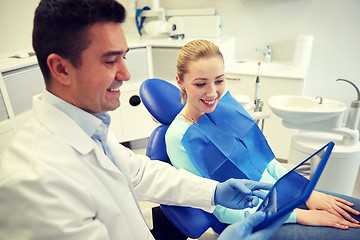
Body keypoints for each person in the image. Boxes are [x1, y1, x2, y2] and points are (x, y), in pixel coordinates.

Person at [0, 1, 288, 239]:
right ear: (61, 68)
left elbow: (137, 172)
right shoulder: (36, 183)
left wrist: (214, 191)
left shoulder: (88, 127)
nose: (126, 75)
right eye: (110, 61)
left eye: (124, 58)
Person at [165, 39, 360, 239]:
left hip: (283, 196)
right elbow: (219, 208)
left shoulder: (225, 107)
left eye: (219, 80)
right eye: (200, 83)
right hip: (251, 220)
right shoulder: (178, 137)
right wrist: (298, 215)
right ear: (180, 82)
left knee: (356, 211)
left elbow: (266, 163)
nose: (213, 92)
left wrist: (305, 192)